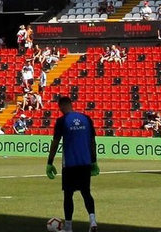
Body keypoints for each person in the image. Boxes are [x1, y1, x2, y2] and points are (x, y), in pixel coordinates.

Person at [45, 96, 99, 232]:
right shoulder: (86, 119)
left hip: (70, 163)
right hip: (85, 162)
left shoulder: (62, 121)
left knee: (68, 195)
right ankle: (92, 221)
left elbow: (55, 142)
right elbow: (92, 142)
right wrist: (94, 161)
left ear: (61, 106)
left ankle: (68, 227)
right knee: (86, 192)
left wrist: (49, 162)